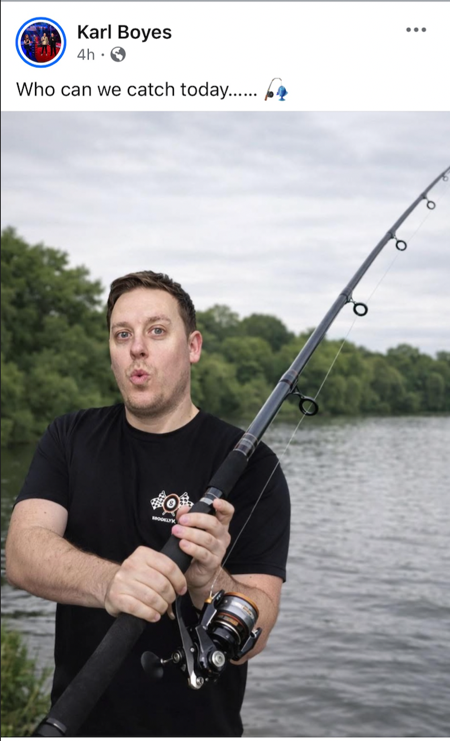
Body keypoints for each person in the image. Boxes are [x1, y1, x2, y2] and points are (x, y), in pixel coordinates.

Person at [5, 271, 290, 737]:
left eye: (157, 331)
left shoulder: (254, 464)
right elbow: (21, 553)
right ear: (111, 351)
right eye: (123, 335)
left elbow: (256, 631)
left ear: (193, 346)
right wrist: (109, 582)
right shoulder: (69, 437)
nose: (137, 348)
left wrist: (208, 580)